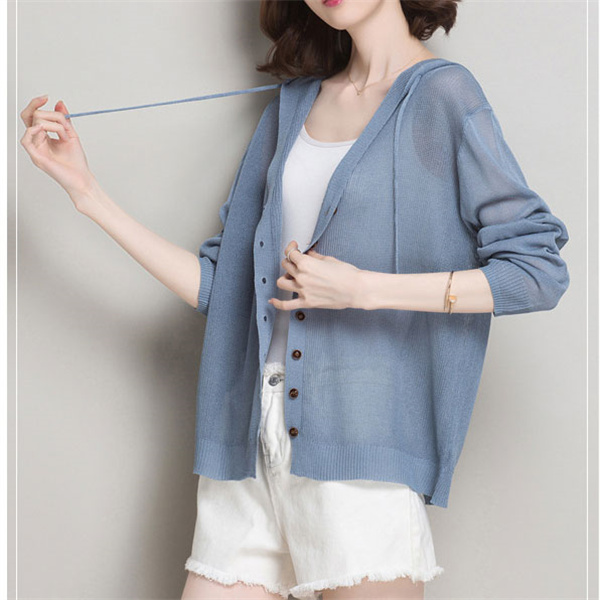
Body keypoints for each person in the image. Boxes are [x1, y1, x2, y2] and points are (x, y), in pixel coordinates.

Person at [19, 0, 571, 599]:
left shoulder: (443, 96)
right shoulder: (292, 107)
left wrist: (365, 290)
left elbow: (536, 271)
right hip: (247, 438)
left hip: (360, 446)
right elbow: (225, 290)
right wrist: (87, 193)